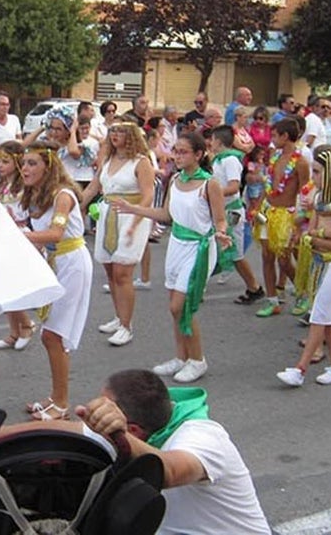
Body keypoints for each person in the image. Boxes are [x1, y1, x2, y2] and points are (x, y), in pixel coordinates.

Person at [77, 369, 270, 534]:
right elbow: (72, 430)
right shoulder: (143, 429)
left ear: (133, 431)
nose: (103, 412)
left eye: (108, 409)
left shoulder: (205, 438)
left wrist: (118, 435)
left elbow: (167, 470)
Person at [115, 133, 232, 384]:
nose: (177, 156)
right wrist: (134, 209)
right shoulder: (176, 179)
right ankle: (181, 357)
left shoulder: (209, 184)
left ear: (199, 155)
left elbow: (220, 218)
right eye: (176, 151)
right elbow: (166, 214)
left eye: (183, 152)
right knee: (175, 308)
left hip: (199, 247)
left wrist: (221, 233)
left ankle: (198, 360)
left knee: (180, 307)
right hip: (177, 244)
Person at [17, 140, 93, 418]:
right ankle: (56, 397)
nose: (25, 168)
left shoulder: (63, 194)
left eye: (32, 163)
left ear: (48, 166)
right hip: (53, 263)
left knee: (53, 335)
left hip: (72, 262)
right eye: (24, 163)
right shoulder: (35, 194)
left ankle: (61, 404)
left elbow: (55, 235)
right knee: (52, 335)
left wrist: (17, 237)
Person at [277, 147, 331, 387]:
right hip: (319, 259)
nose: (314, 177)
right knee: (329, 317)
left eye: (319, 172)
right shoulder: (319, 198)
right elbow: (310, 231)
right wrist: (319, 234)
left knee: (319, 314)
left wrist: (316, 235)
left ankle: (300, 369)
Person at [79, 122, 156, 346]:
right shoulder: (107, 160)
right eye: (112, 131)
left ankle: (126, 325)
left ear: (131, 136)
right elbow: (93, 188)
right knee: (111, 271)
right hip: (107, 215)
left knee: (123, 273)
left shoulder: (141, 162)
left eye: (120, 131)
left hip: (130, 216)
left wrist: (136, 221)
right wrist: (76, 205)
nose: (115, 135)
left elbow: (148, 194)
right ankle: (118, 316)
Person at [254, 119, 310, 317]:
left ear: (285, 137)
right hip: (267, 212)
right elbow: (267, 185)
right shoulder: (274, 157)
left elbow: (306, 193)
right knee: (266, 256)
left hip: (287, 215)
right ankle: (272, 301)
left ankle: (303, 294)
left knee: (284, 260)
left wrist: (301, 221)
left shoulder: (301, 162)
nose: (272, 139)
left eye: (275, 135)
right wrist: (257, 209)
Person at [0, 140, 37, 351]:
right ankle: (13, 331)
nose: (0, 166)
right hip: (2, 235)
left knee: (12, 287)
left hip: (18, 235)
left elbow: (27, 211)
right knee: (3, 285)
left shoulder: (24, 186)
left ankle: (26, 325)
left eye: (5, 161)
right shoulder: (0, 184)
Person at [208, 127, 263, 304]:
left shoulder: (230, 160)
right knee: (216, 248)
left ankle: (254, 287)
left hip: (231, 210)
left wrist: (212, 193)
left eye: (212, 139)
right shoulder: (218, 160)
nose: (210, 143)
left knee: (235, 253)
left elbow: (233, 187)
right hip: (221, 208)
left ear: (218, 141)